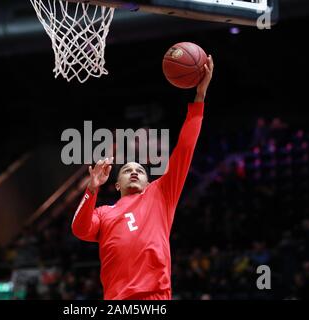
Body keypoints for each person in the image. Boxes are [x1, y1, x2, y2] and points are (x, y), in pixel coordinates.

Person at [71, 56, 214, 300]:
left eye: (140, 170)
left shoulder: (160, 194)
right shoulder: (104, 213)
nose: (134, 172)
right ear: (117, 185)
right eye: (127, 170)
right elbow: (80, 229)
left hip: (155, 296)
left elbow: (185, 149)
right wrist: (91, 189)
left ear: (149, 182)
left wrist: (199, 96)